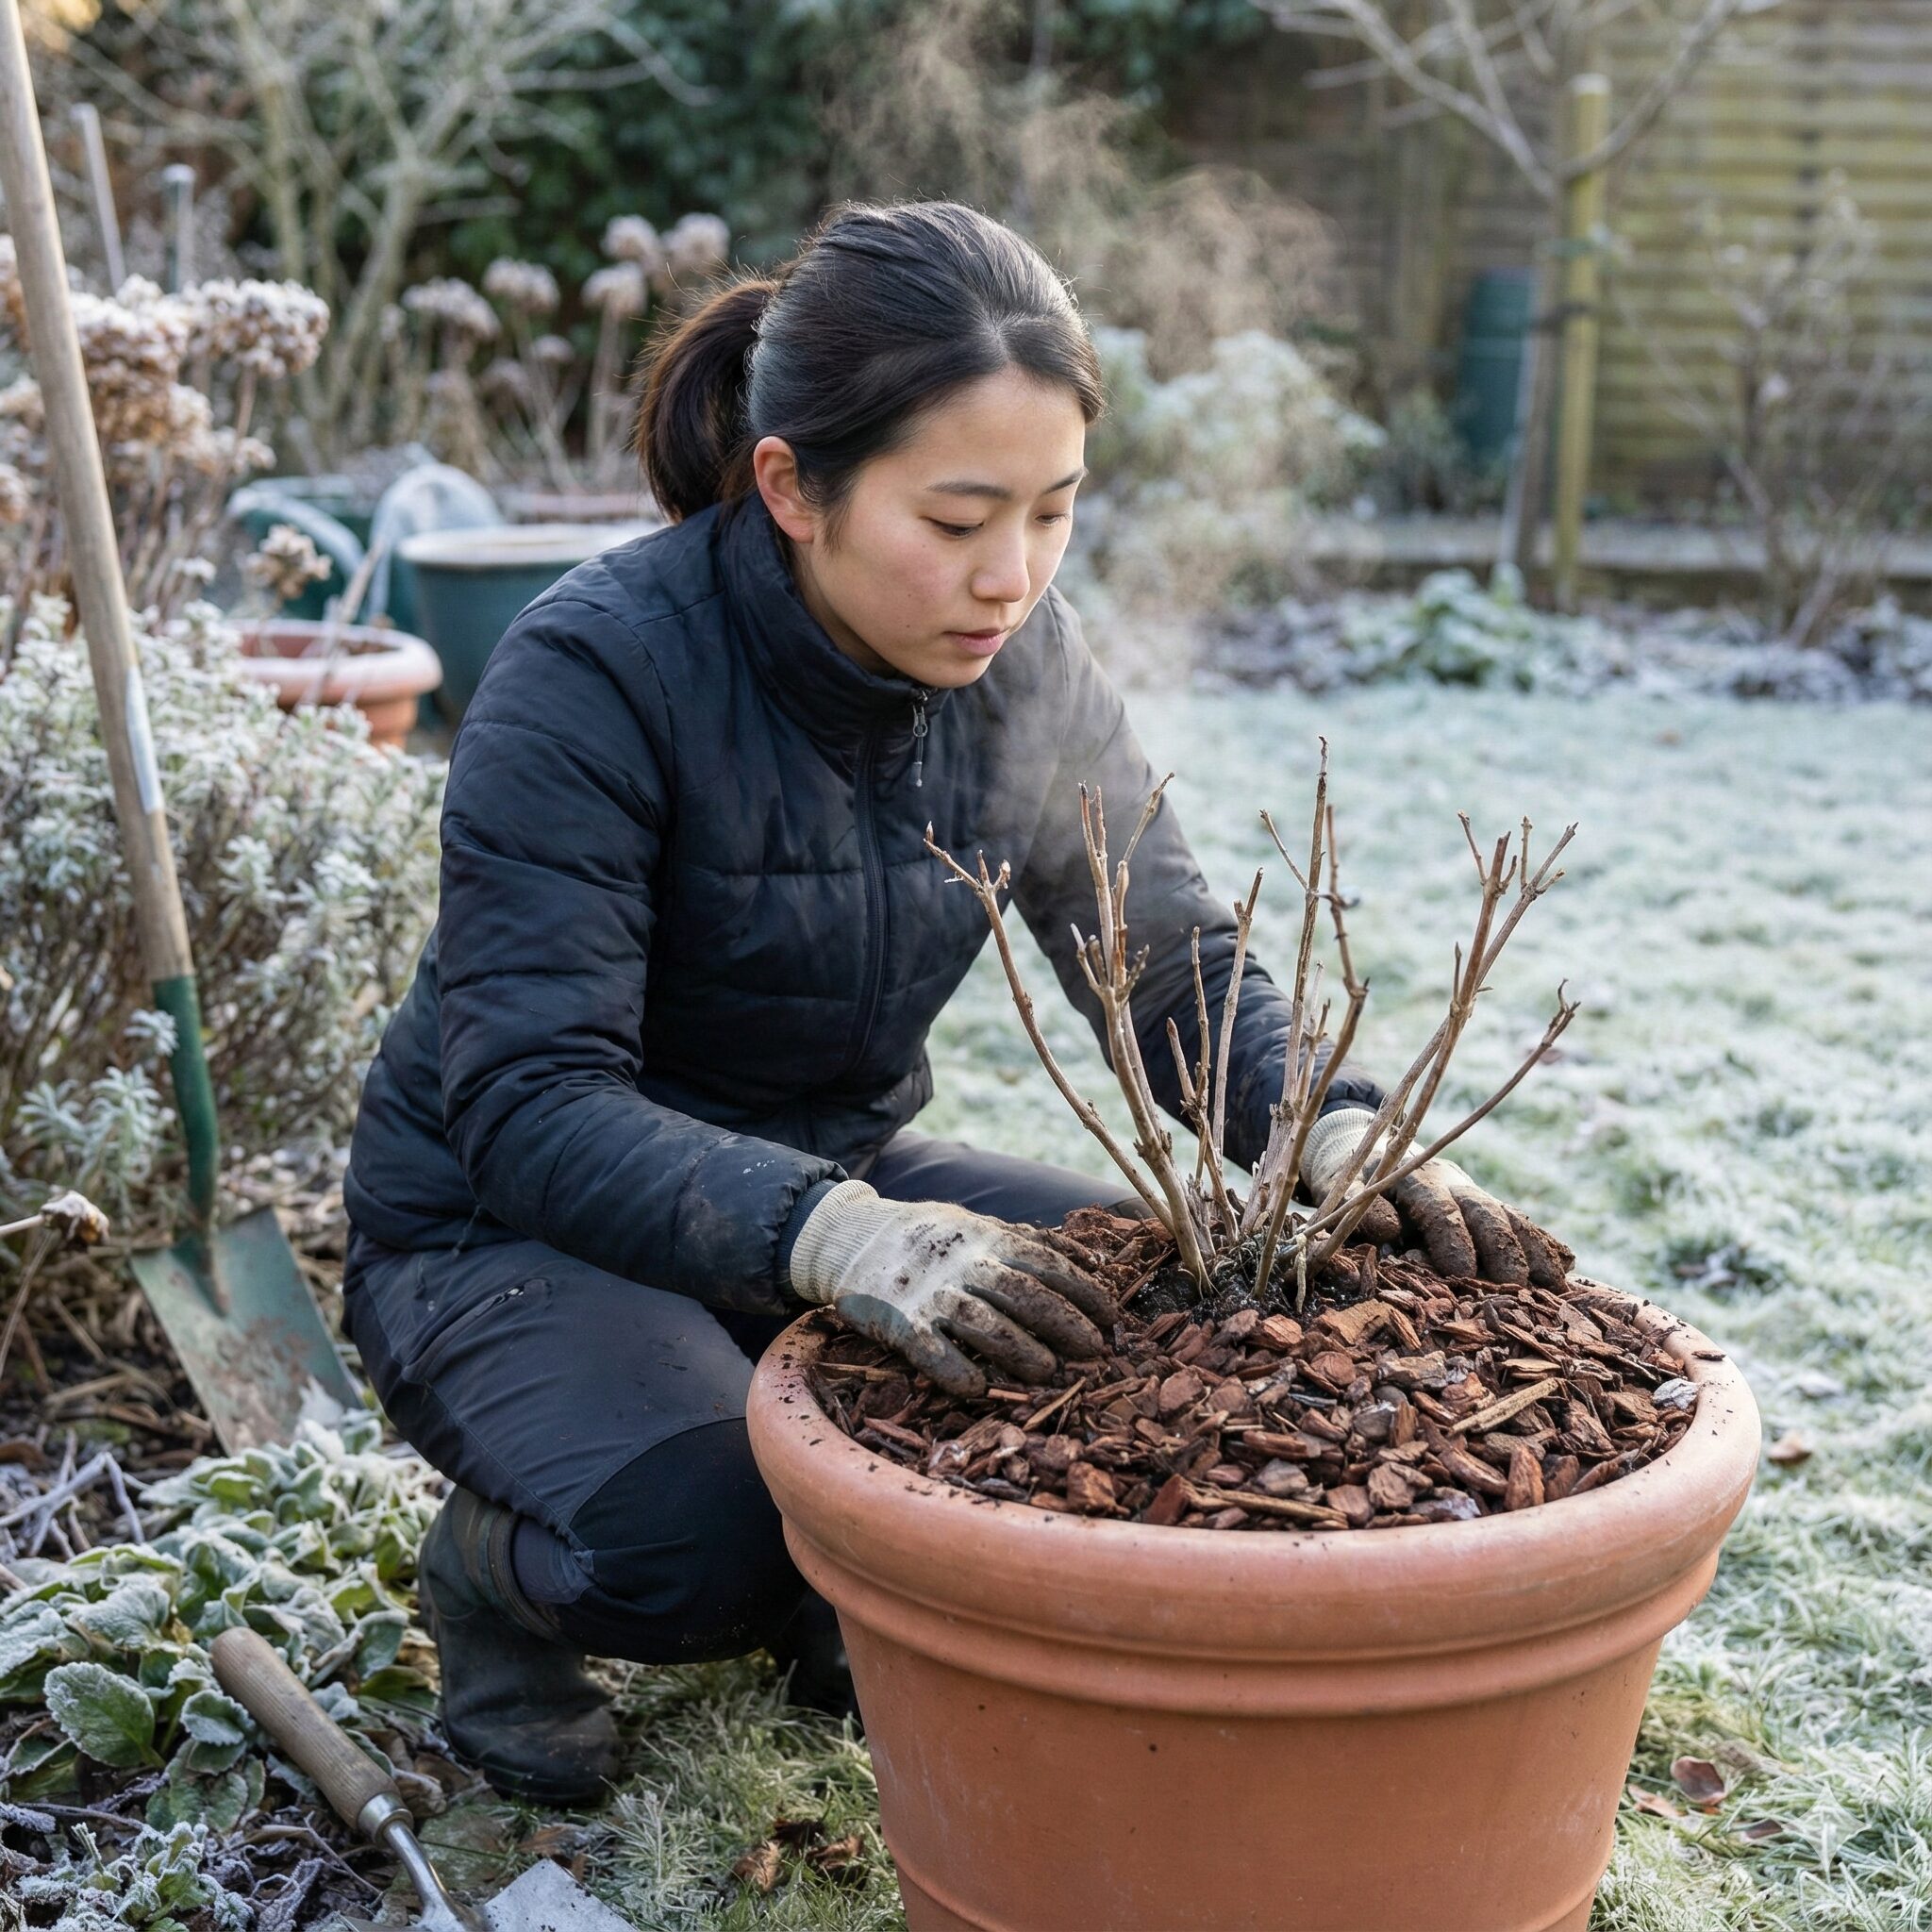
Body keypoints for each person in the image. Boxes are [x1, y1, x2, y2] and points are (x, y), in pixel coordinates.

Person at [340, 199, 1557, 1808]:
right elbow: (527, 1103)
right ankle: (499, 1581)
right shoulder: (597, 677)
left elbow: (1169, 959)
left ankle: (846, 1601)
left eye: (1056, 512)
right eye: (962, 517)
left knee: (1155, 1324)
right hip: (501, 1231)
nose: (1014, 576)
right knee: (708, 1535)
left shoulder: (1023, 665)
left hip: (825, 1182)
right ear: (793, 486)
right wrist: (838, 1239)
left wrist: (1331, 1126)